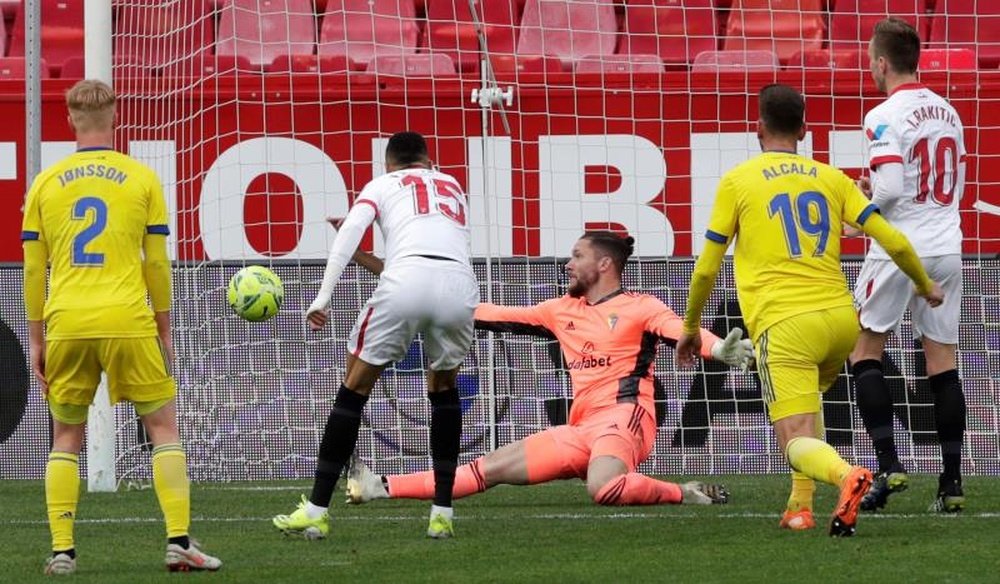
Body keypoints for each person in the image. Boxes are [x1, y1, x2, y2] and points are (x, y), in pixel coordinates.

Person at [676, 84, 944, 537]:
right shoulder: (831, 177)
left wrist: (690, 326)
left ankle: (848, 476)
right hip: (842, 321)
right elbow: (894, 239)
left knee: (793, 438)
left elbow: (705, 270)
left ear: (757, 127)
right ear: (804, 129)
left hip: (786, 323)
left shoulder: (739, 181)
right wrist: (924, 284)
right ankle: (799, 508)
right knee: (807, 413)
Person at [341, 231, 752, 509]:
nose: (568, 264)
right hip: (582, 428)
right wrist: (393, 274)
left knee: (604, 487)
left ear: (605, 264)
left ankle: (686, 494)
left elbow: (682, 331)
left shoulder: (641, 306)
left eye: (578, 256)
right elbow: (474, 312)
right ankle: (381, 487)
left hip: (627, 417)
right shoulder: (559, 310)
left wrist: (720, 350)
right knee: (491, 467)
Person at [21, 80, 221, 574]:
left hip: (67, 320)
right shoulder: (139, 179)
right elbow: (156, 263)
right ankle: (179, 542)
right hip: (128, 319)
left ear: (70, 120)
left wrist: (36, 337)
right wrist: (165, 326)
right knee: (163, 428)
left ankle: (63, 551)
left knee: (66, 436)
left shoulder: (45, 184)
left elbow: (31, 271)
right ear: (116, 118)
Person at [272, 132, 480, 540]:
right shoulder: (452, 185)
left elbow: (352, 234)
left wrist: (323, 297)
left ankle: (315, 510)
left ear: (388, 165)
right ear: (429, 161)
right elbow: (425, 259)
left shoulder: (382, 185)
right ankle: (442, 514)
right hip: (459, 287)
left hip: (406, 283)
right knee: (442, 389)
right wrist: (366, 258)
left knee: (354, 386)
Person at [850, 18, 968, 514]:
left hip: (899, 247)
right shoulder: (949, 111)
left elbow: (894, 189)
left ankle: (889, 462)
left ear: (881, 62)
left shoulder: (884, 114)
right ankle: (952, 484)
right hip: (947, 244)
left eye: (871, 62)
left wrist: (865, 206)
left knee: (863, 351)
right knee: (942, 360)